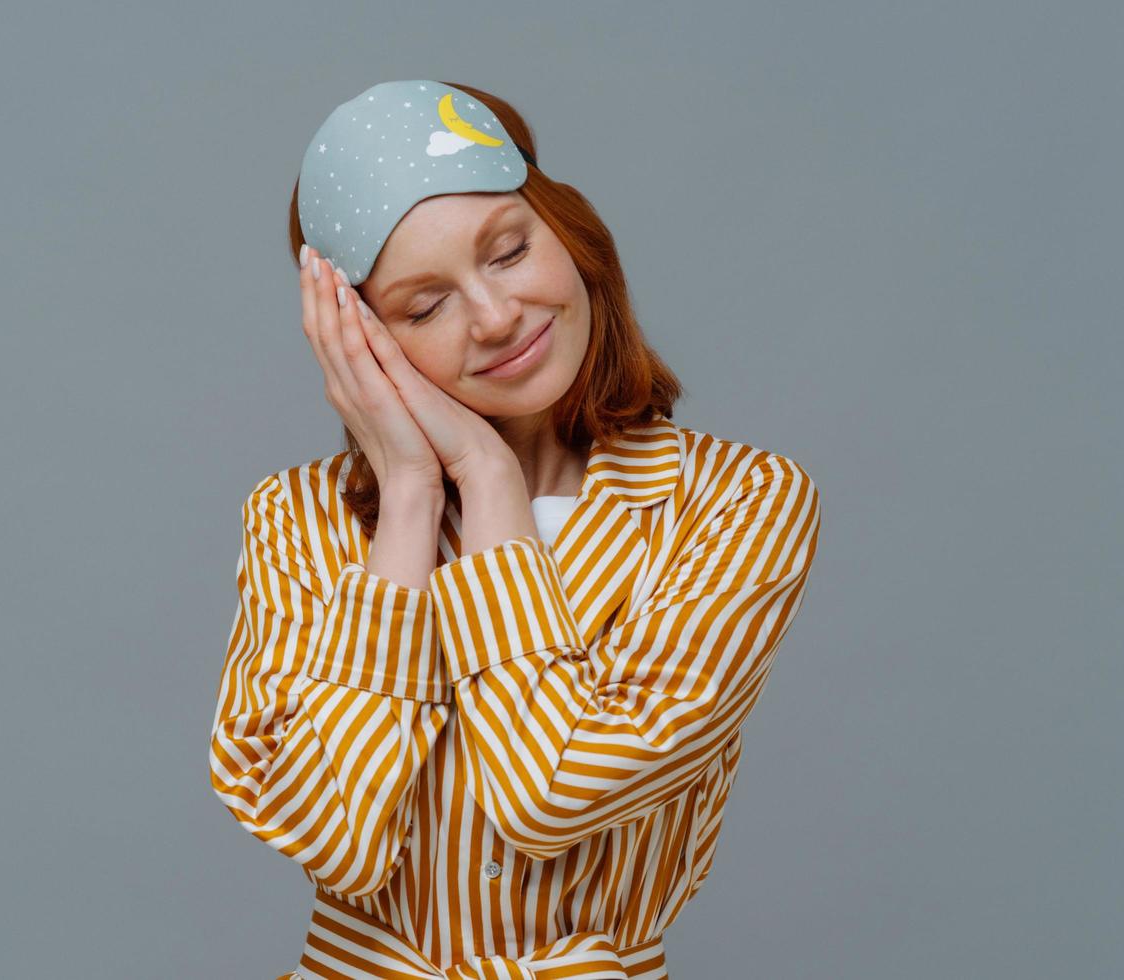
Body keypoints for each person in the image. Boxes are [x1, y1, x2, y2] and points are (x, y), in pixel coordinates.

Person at [208, 79, 822, 980]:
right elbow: (332, 838)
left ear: (569, 236)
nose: (495, 319)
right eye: (424, 307)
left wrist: (490, 483)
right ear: (364, 340)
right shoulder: (299, 518)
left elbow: (553, 793)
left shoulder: (737, 501)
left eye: (507, 252)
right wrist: (413, 491)